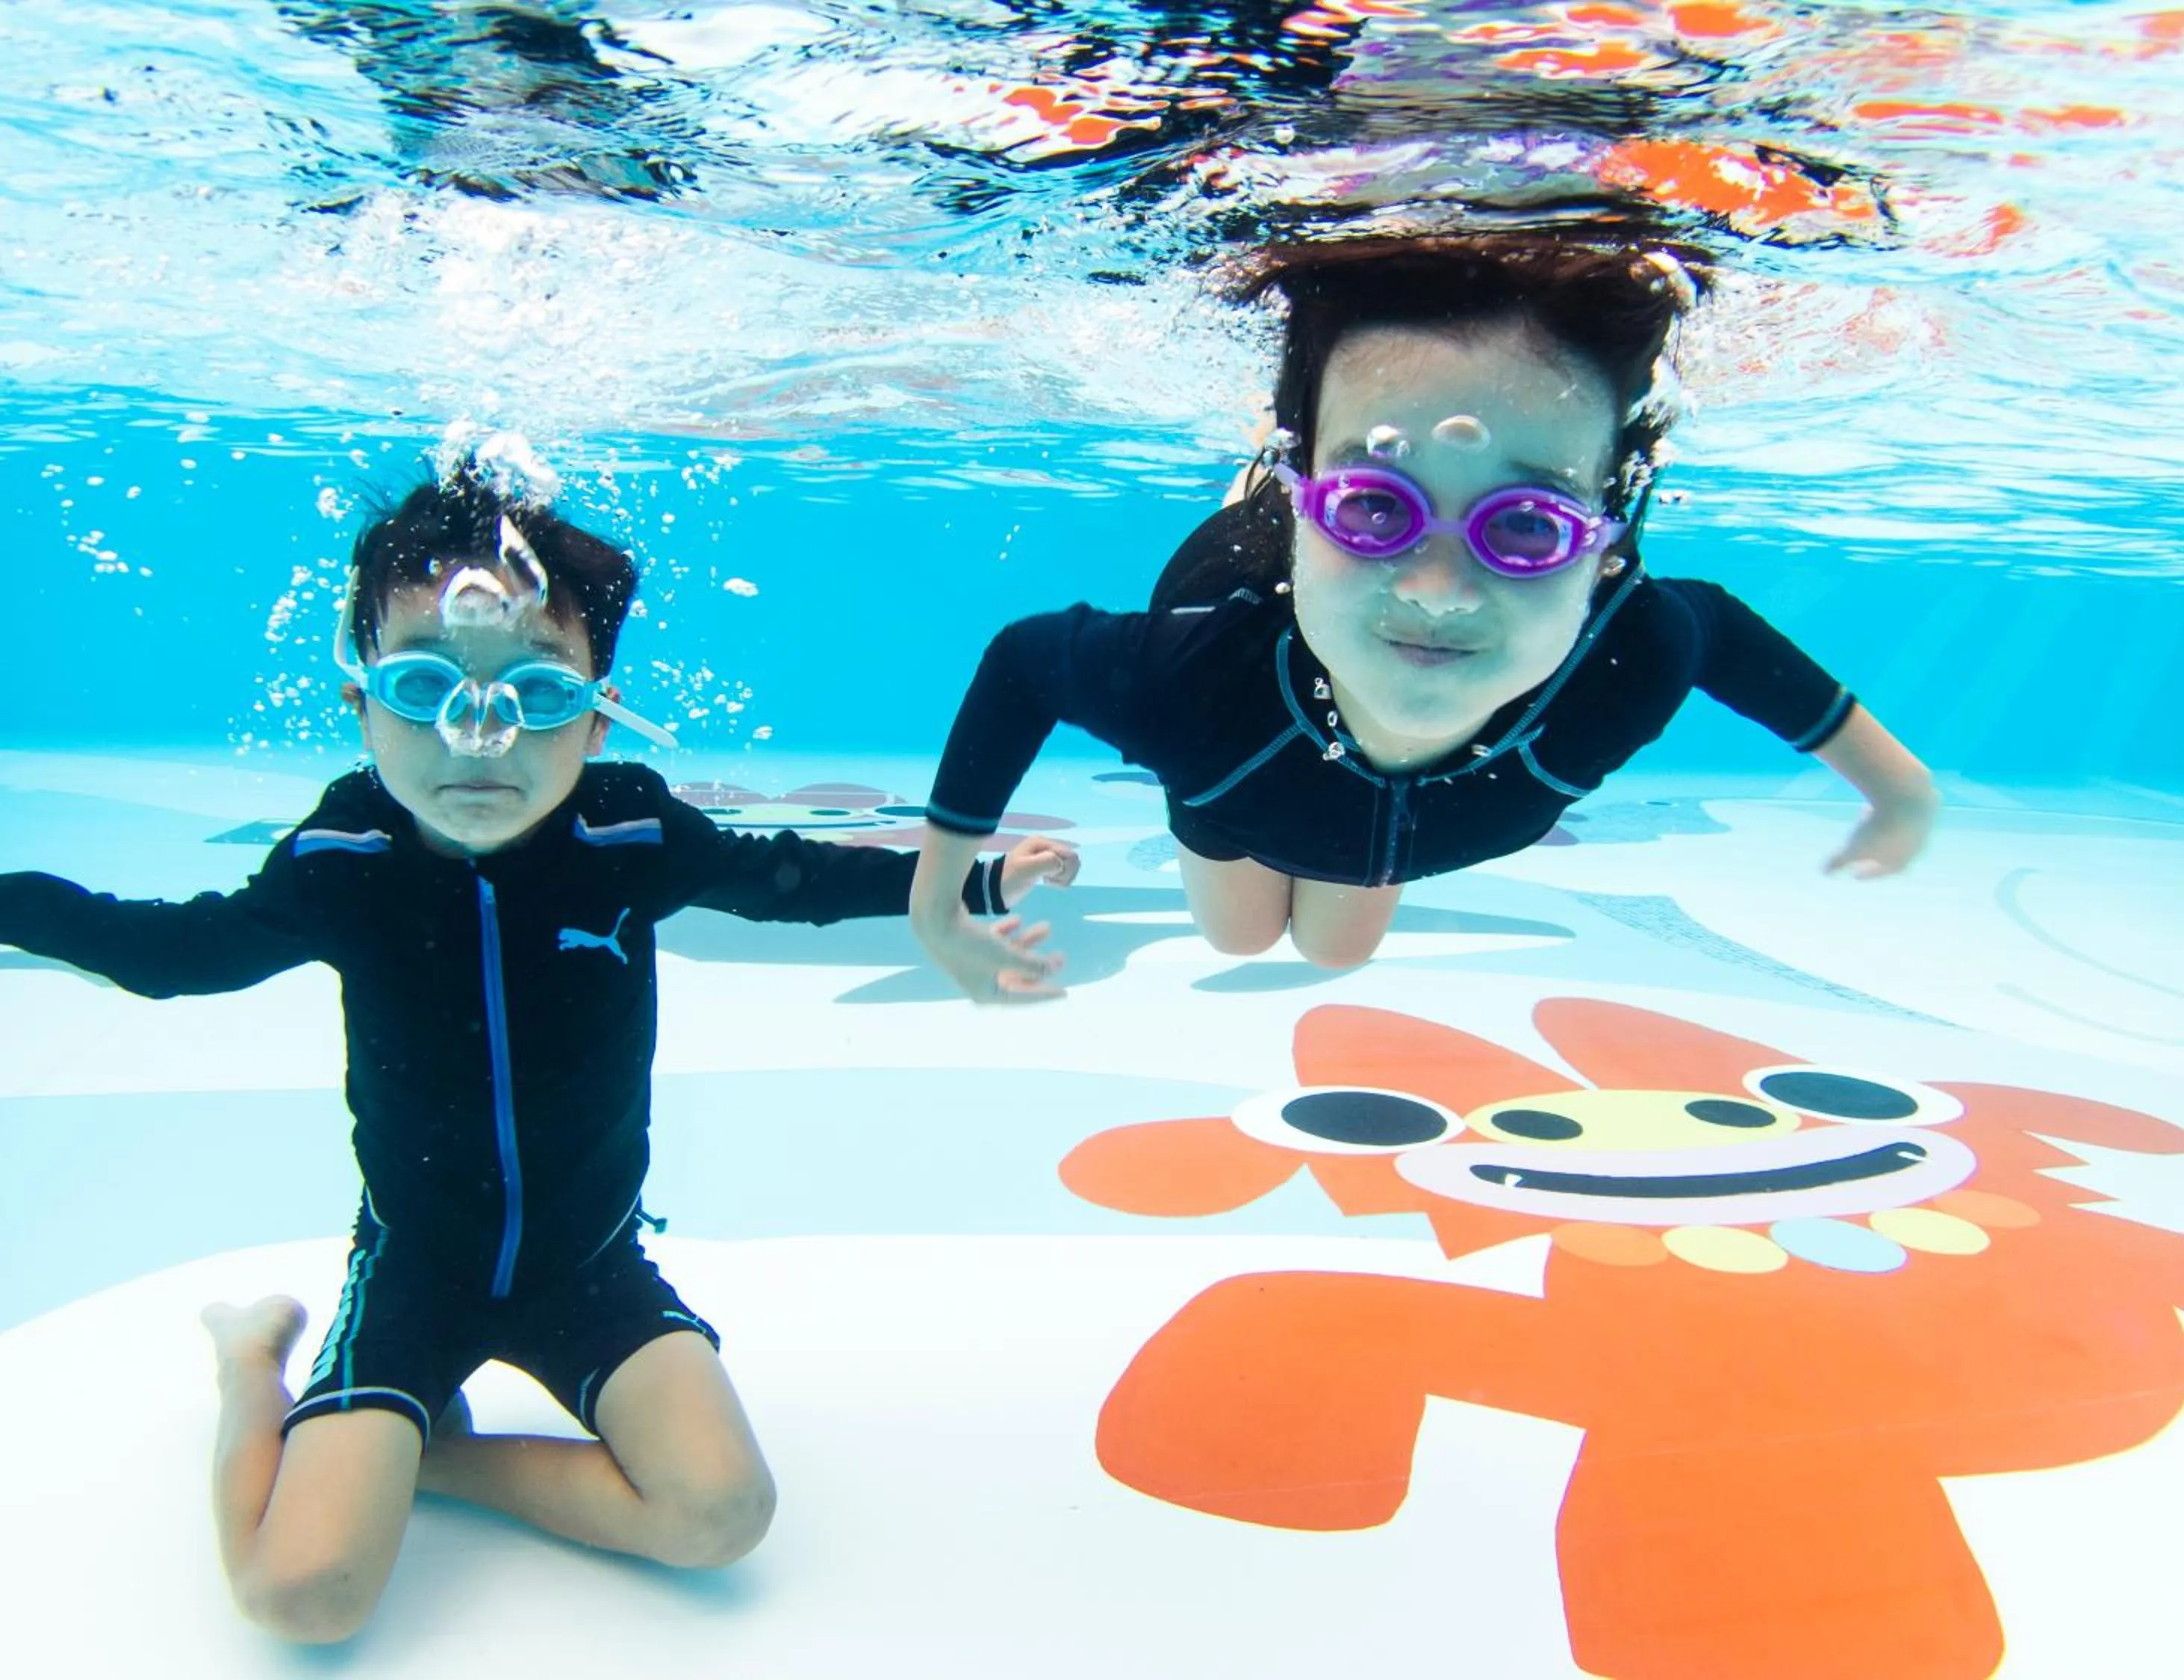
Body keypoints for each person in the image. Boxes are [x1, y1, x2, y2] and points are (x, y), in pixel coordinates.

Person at [0, 465, 1076, 1641]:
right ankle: (253, 1361)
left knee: (721, 1510)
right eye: (425, 685)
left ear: (600, 713)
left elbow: (791, 878)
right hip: (418, 1272)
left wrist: (967, 873)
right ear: (360, 703)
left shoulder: (629, 831)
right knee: (299, 1595)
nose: (480, 736)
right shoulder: (342, 858)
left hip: (592, 1269)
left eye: (538, 694)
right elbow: (169, 952)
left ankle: (430, 1458)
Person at [910, 224, 1937, 1000]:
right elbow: (1025, 661)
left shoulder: (1626, 655)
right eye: (1374, 504)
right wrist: (937, 903)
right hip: (1244, 606)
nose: (1437, 591)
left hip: (1316, 679)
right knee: (1238, 937)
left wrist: (1899, 790)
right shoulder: (1185, 688)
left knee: (1334, 948)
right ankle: (1274, 493)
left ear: (1607, 538)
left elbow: (1718, 630)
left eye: (1527, 527)